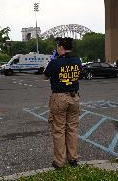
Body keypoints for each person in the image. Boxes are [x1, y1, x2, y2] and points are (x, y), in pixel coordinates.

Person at [44, 37, 82, 169]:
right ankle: (73, 159)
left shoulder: (55, 62)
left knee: (59, 130)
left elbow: (45, 75)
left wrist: (54, 61)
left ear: (61, 47)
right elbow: (78, 75)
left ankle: (59, 162)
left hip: (59, 97)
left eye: (57, 47)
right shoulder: (77, 61)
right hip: (74, 97)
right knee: (72, 129)